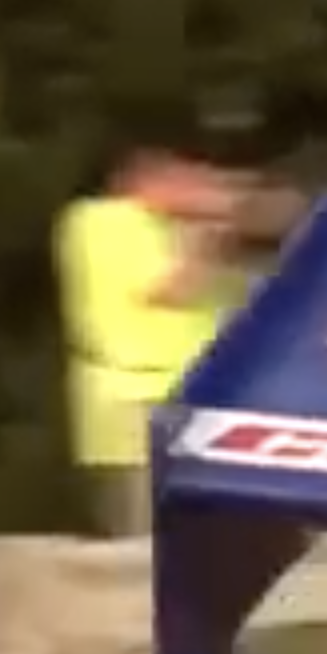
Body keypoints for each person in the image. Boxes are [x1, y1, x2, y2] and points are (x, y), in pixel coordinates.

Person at [56, 149, 239, 538]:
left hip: (183, 395)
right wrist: (208, 236)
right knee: (145, 536)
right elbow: (169, 289)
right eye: (191, 180)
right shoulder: (106, 222)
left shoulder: (165, 229)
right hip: (136, 400)